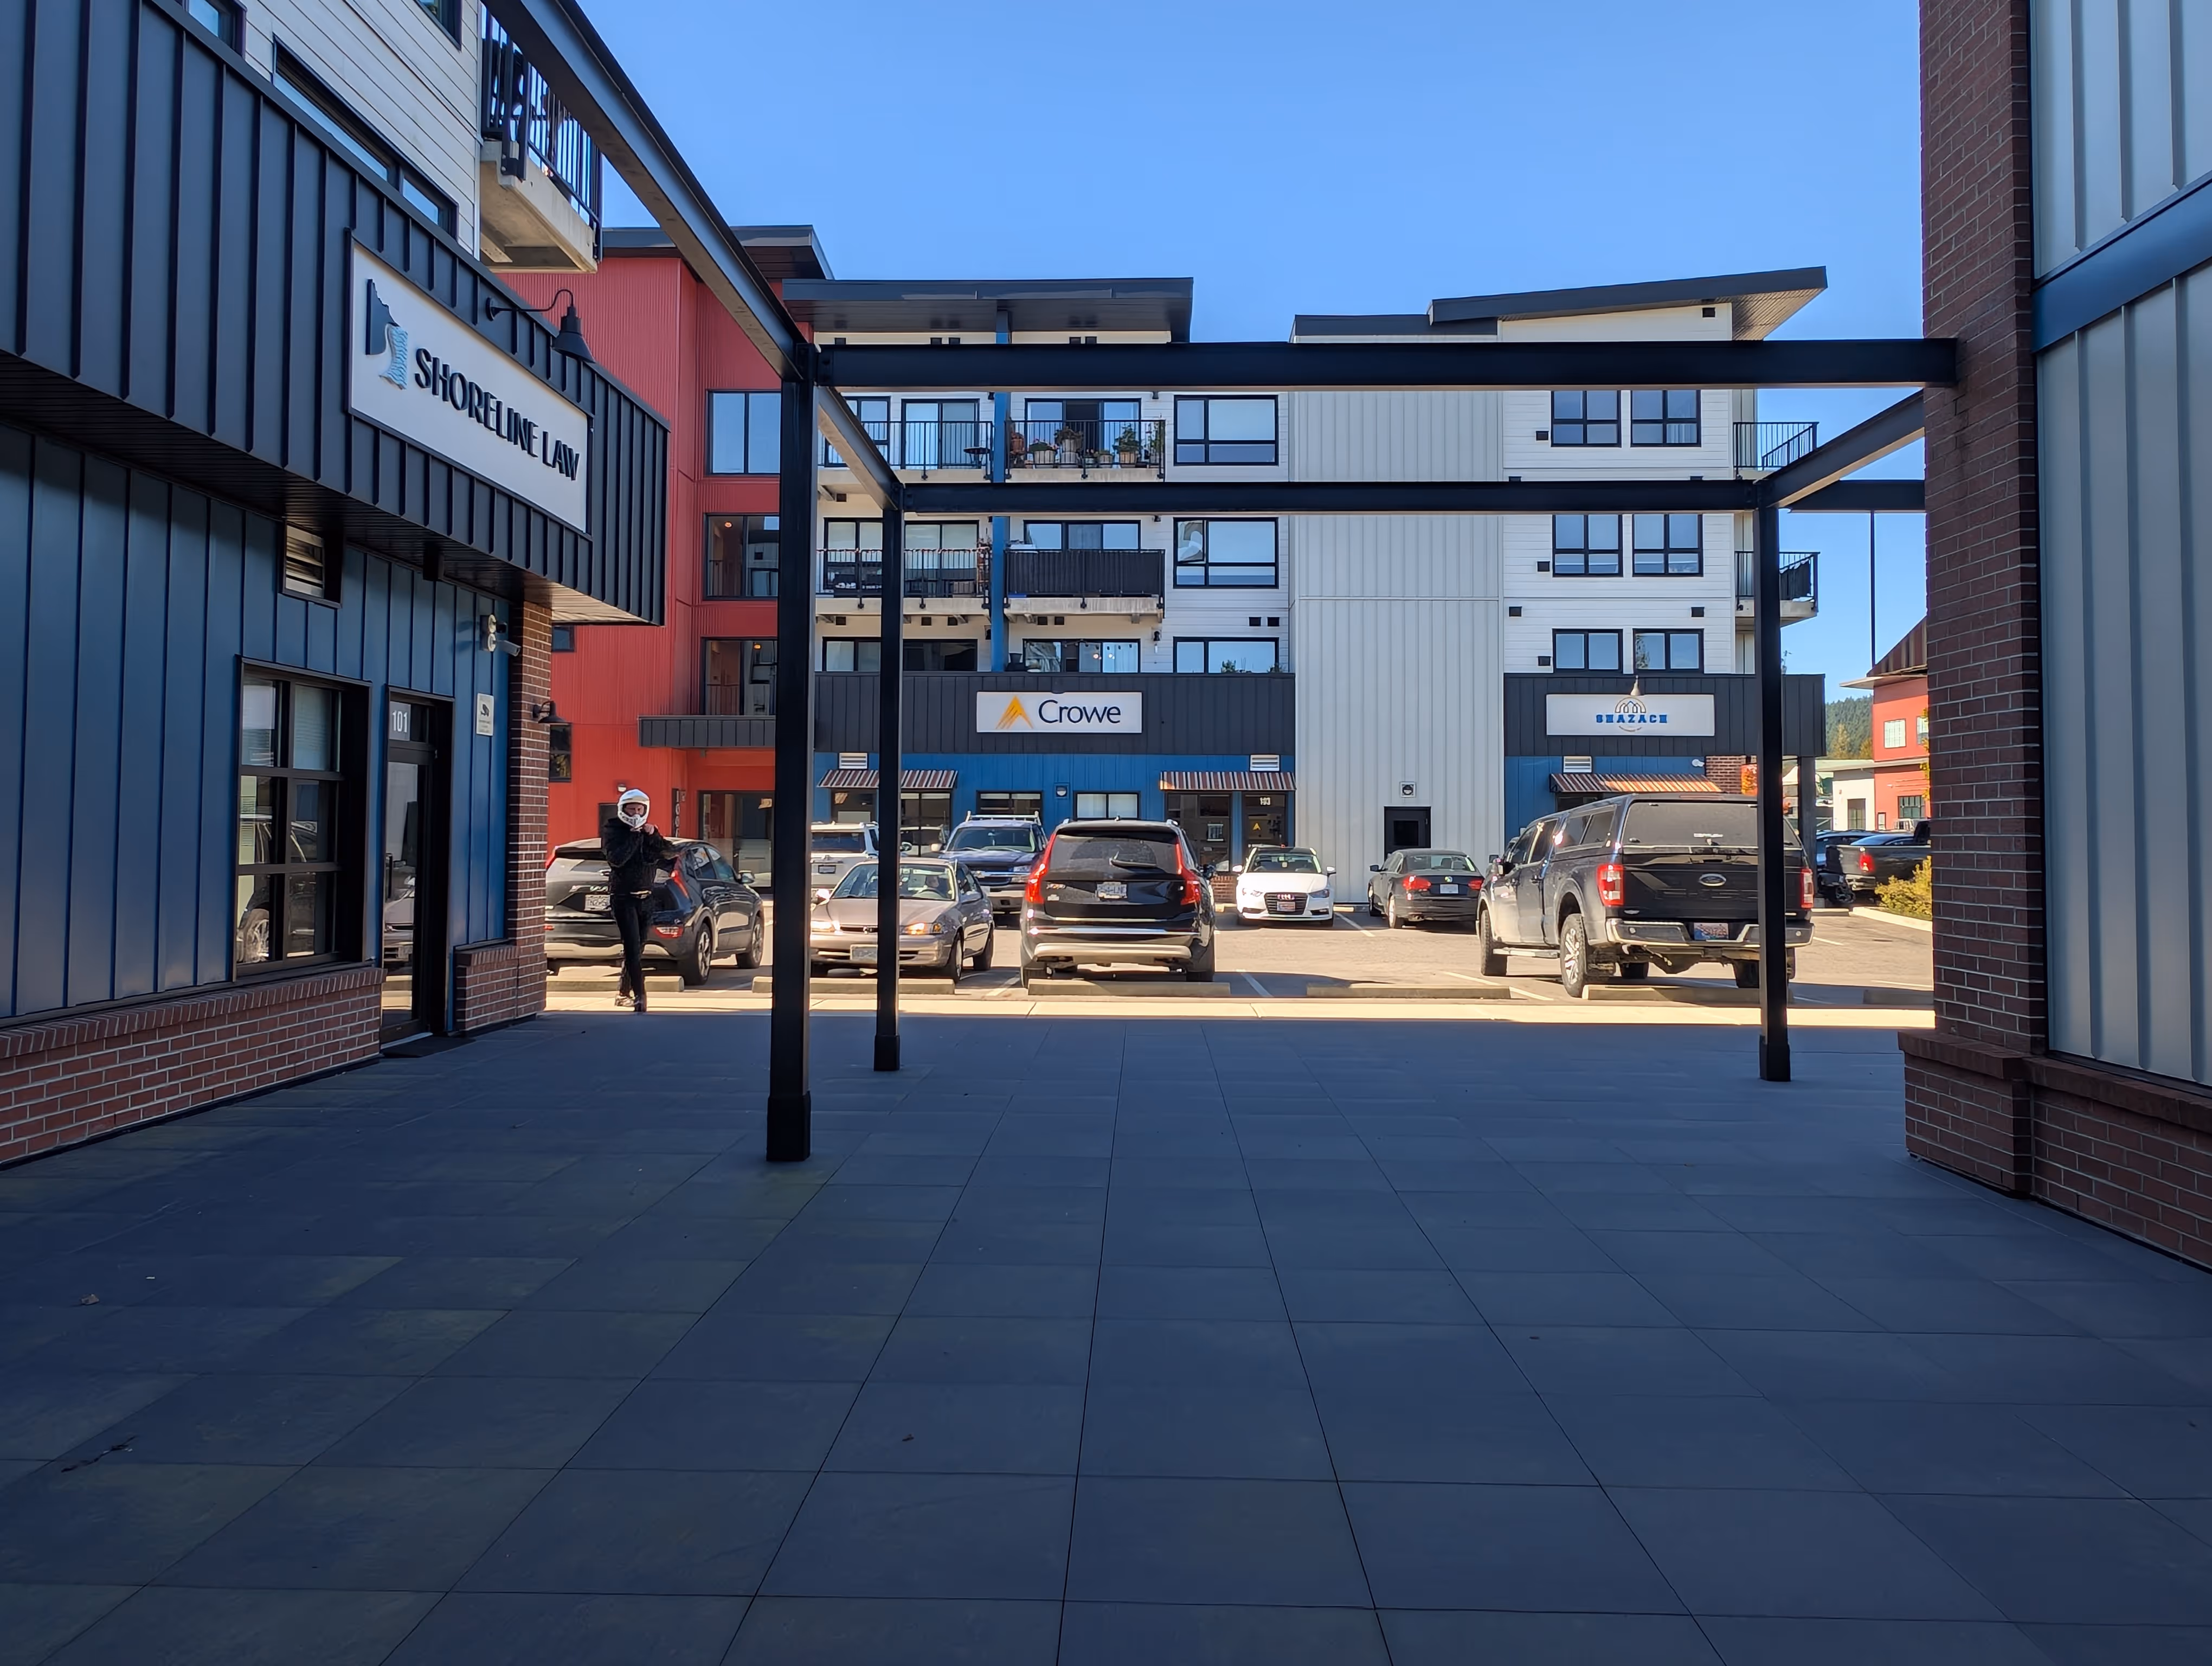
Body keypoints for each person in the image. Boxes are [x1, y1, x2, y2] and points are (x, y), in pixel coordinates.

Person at [602, 789, 676, 1012]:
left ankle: (623, 991)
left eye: (639, 809)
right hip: (623, 898)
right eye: (631, 809)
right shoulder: (613, 830)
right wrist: (634, 835)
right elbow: (617, 860)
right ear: (623, 809)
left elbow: (669, 854)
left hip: (646, 898)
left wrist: (653, 835)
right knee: (632, 948)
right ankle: (640, 996)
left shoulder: (648, 833)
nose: (635, 813)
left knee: (638, 948)